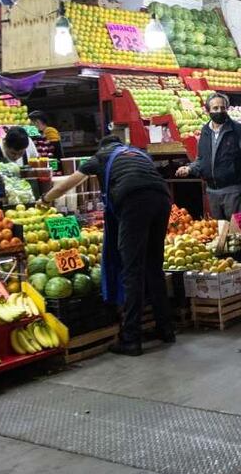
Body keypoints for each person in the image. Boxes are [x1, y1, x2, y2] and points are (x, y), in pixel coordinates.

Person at [41, 134, 174, 356]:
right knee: (153, 267)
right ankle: (165, 329)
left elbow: (72, 181)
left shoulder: (101, 156)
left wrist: (46, 199)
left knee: (132, 270)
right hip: (162, 199)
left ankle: (131, 339)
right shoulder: (137, 153)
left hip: (134, 201)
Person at [175, 93, 241, 221]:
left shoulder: (239, 130)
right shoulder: (205, 131)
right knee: (219, 233)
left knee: (239, 234)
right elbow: (201, 159)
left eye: (222, 108)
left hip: (233, 192)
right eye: (215, 108)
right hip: (212, 193)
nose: (219, 111)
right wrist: (189, 169)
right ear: (208, 111)